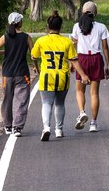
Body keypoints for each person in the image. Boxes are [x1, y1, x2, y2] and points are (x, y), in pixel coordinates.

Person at [31, 10, 90, 141]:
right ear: (60, 26)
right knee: (59, 104)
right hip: (62, 77)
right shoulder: (67, 42)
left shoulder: (41, 41)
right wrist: (83, 75)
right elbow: (74, 60)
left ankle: (46, 127)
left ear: (48, 26)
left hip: (47, 77)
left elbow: (34, 56)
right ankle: (59, 130)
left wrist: (36, 66)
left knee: (46, 103)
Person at [0, 12, 33, 137]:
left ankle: (7, 126)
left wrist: (6, 52)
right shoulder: (27, 37)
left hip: (7, 74)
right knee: (21, 100)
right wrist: (36, 66)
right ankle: (17, 128)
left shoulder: (5, 37)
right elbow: (34, 54)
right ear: (20, 23)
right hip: (22, 73)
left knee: (7, 99)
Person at [71, 1, 109, 132]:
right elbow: (105, 47)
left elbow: (74, 45)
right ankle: (93, 123)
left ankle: (82, 112)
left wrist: (72, 63)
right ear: (95, 13)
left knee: (79, 90)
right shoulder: (101, 27)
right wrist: (108, 65)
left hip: (81, 60)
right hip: (96, 59)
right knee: (94, 93)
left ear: (82, 12)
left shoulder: (77, 26)